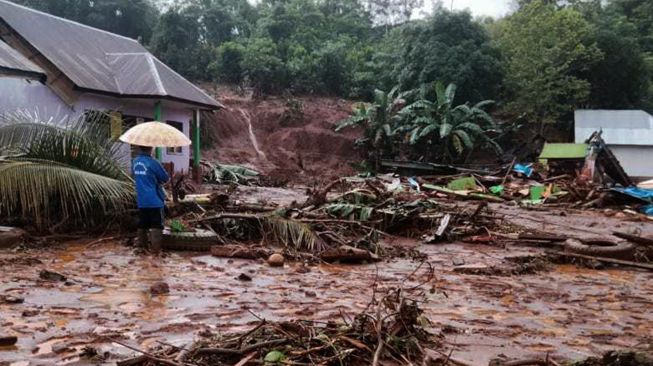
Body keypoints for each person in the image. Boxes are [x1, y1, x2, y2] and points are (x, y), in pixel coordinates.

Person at [132, 145, 169, 254]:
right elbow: (165, 178)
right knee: (157, 225)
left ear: (139, 147)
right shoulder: (154, 163)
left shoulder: (134, 162)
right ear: (151, 148)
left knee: (143, 224)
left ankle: (143, 250)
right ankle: (156, 252)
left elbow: (136, 176)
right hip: (155, 201)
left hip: (142, 200)